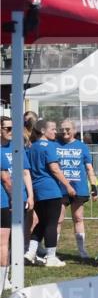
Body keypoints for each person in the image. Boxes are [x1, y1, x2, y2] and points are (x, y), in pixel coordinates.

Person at [25, 120, 76, 267]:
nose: (56, 132)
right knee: (51, 224)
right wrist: (67, 186)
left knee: (41, 223)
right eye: (53, 129)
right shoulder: (49, 146)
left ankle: (30, 253)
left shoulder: (31, 147)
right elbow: (54, 168)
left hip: (37, 189)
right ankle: (51, 257)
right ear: (42, 130)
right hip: (50, 190)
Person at [55, 120, 98, 259]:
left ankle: (82, 250)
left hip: (78, 187)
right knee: (58, 219)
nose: (65, 132)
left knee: (78, 218)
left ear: (74, 130)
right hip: (60, 188)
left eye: (68, 129)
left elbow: (89, 168)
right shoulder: (55, 145)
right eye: (62, 129)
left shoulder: (82, 147)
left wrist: (94, 186)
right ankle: (52, 251)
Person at [1, 117, 34, 285]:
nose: (11, 132)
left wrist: (30, 195)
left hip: (19, 198)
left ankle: (13, 273)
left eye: (13, 128)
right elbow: (6, 179)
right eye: (7, 128)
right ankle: (4, 278)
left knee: (17, 237)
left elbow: (26, 172)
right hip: (6, 200)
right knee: (4, 240)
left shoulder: (18, 148)